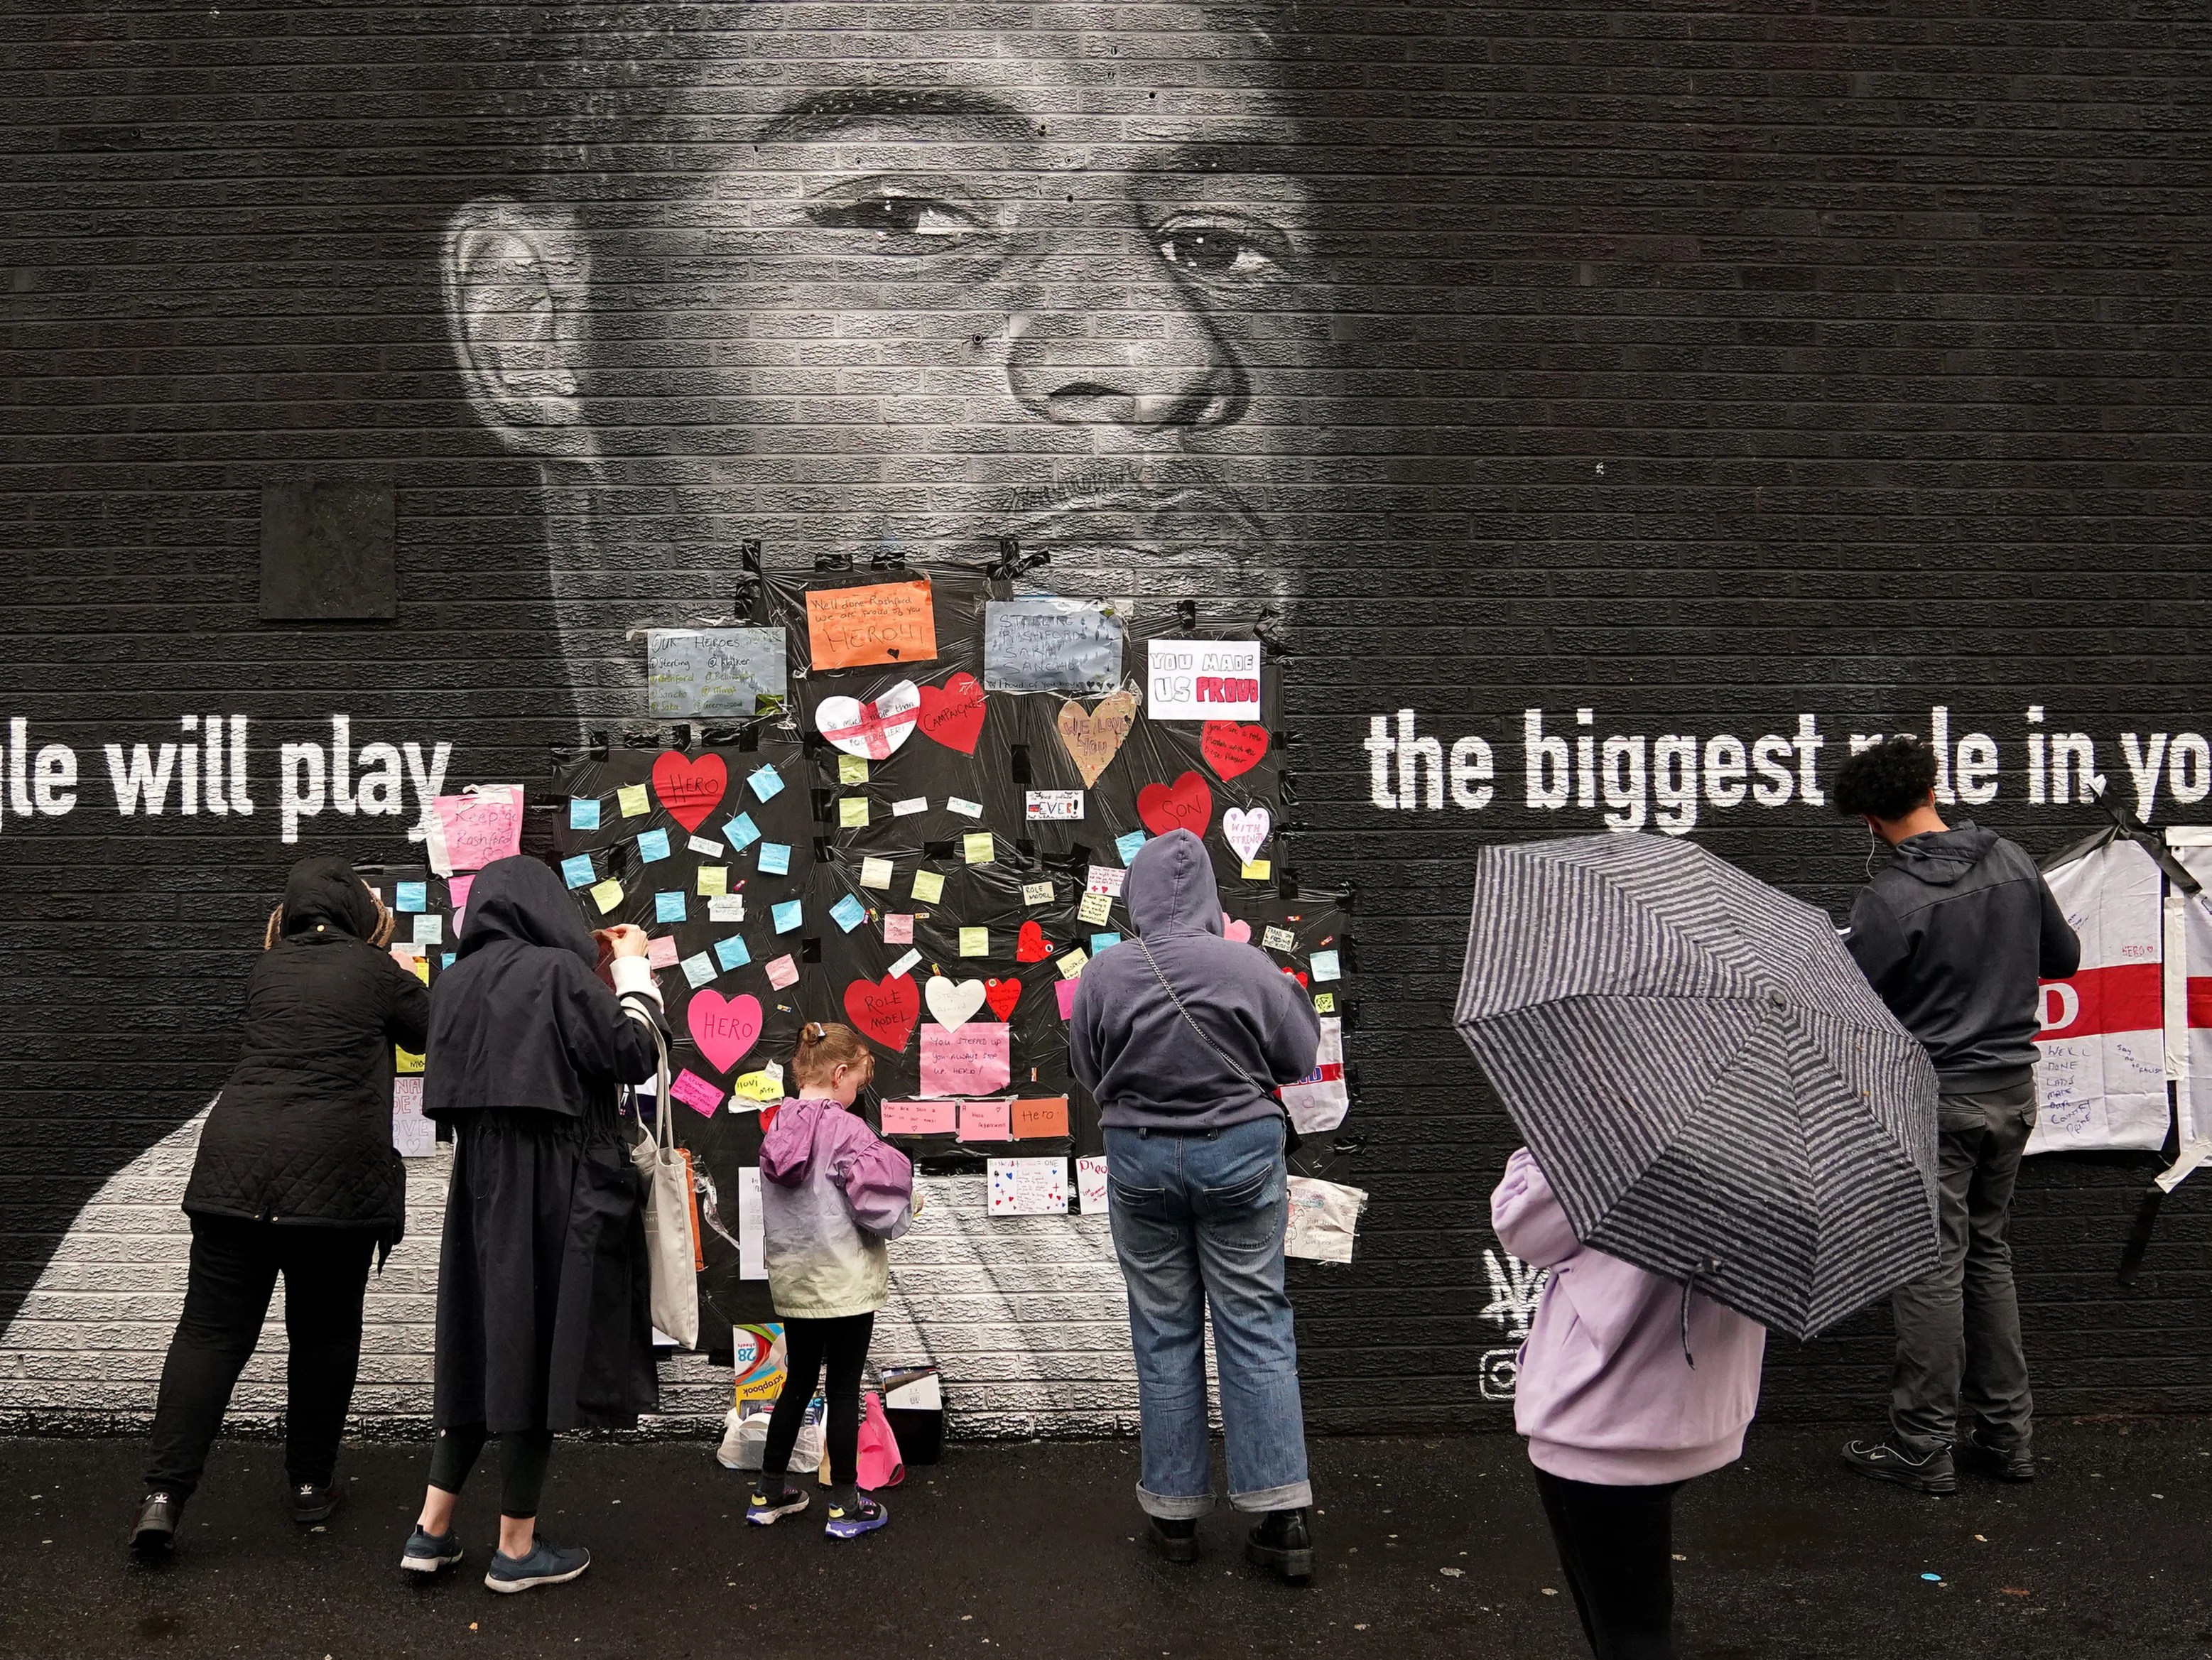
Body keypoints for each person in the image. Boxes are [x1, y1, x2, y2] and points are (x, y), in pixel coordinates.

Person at [129, 858, 431, 1555]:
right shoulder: (378, 972)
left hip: (234, 1172)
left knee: (209, 1335)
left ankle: (163, 1496)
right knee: (323, 1336)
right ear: (360, 914)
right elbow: (431, 1031)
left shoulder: (265, 972)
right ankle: (308, 1487)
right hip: (334, 1181)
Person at [400, 855, 666, 1593]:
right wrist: (636, 971)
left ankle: (432, 1531)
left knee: (480, 1345)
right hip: (558, 1185)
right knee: (540, 1350)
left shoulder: (452, 985)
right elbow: (634, 1054)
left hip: (480, 1186)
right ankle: (515, 1548)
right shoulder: (558, 973)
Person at [1068, 828, 1322, 1579]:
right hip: (1240, 1155)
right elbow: (1300, 1059)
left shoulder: (1106, 974)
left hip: (1140, 1158)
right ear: (1211, 893)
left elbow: (1088, 1067)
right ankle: (1282, 1520)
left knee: (1162, 1331)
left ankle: (1175, 1518)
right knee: (1255, 1323)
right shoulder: (1249, 965)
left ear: (1136, 895)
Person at [1832, 734, 2080, 1494]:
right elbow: (2063, 959)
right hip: (2013, 1095)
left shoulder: (1890, 899)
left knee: (1931, 1267)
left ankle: (1924, 1445)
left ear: (1871, 820)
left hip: (1937, 1103)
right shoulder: (2010, 859)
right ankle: (2009, 1440)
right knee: (1989, 1255)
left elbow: (1852, 1005)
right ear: (1933, 791)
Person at [1491, 1147, 1766, 1660]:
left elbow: (1525, 1224)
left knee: (1627, 1634)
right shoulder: (1758, 1129)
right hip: (1704, 1396)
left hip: (1601, 1412)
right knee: (1640, 1615)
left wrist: (1537, 1149)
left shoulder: (1613, 1120)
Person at [746, 1021, 916, 1541]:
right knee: (843, 1389)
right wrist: (913, 1201)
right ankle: (845, 1504)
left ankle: (768, 1493)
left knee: (797, 1382)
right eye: (857, 1084)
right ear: (840, 1073)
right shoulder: (848, 1131)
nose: (855, 1094)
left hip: (795, 1281)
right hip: (842, 1282)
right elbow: (879, 1206)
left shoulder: (777, 1126)